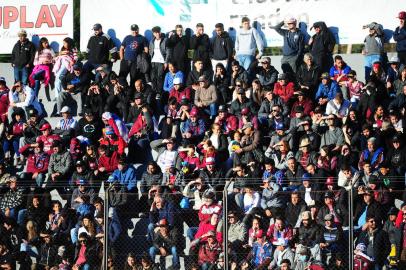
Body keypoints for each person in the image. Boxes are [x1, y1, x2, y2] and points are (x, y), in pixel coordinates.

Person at [149, 26, 169, 95]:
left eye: (159, 32)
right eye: (156, 33)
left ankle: (159, 92)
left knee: (159, 77)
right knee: (153, 77)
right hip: (153, 61)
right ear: (154, 33)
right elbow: (151, 51)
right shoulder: (152, 41)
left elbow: (168, 52)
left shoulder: (165, 40)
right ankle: (154, 91)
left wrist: (166, 62)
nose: (158, 34)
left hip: (161, 62)